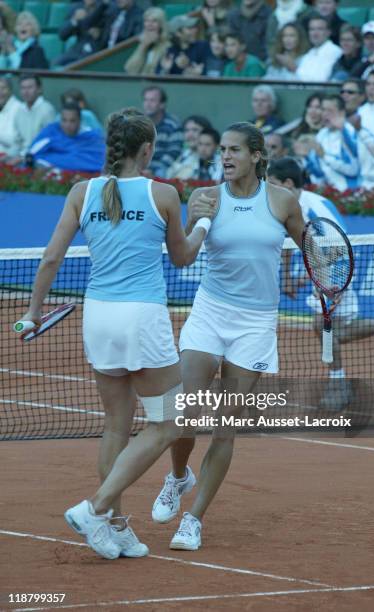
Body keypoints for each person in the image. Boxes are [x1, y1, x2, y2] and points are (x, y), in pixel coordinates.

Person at [18, 108, 213, 560]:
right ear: (146, 150)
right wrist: (203, 223)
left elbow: (50, 258)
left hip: (99, 319)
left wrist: (32, 312)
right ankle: (98, 509)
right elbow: (183, 258)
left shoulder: (80, 192)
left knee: (116, 426)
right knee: (168, 422)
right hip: (142, 321)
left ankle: (118, 528)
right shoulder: (163, 193)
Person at [151, 122, 307, 551]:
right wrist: (197, 221)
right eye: (223, 149)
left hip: (255, 325)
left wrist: (324, 271)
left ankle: (194, 519)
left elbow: (309, 247)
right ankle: (178, 476)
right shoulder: (206, 198)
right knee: (185, 411)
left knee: (225, 427)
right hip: (210, 313)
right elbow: (185, 254)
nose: (226, 156)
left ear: (257, 155)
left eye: (235, 149)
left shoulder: (283, 202)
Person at [266, 156, 374, 410]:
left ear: (288, 183)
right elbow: (289, 243)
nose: (267, 187)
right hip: (321, 270)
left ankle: (339, 384)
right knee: (332, 331)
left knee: (323, 327)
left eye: (272, 182)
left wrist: (332, 285)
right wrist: (291, 278)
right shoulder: (284, 203)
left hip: (339, 267)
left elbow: (340, 250)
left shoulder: (316, 208)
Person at [28, 103, 105, 173]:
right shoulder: (52, 131)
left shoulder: (93, 137)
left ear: (79, 120)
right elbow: (32, 154)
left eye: (72, 121)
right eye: (64, 120)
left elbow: (100, 162)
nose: (67, 125)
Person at [305, 94, 359, 190]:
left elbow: (353, 169)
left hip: (347, 192)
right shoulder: (322, 133)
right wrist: (307, 158)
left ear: (341, 113)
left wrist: (325, 157)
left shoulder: (350, 133)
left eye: (329, 110)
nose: (324, 114)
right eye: (323, 109)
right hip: (325, 191)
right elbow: (319, 173)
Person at [10, 74, 56, 165]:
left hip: (39, 158)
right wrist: (10, 156)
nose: (26, 91)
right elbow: (17, 141)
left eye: (30, 87)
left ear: (39, 89)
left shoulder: (47, 109)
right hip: (21, 157)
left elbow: (48, 142)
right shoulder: (19, 110)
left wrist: (22, 157)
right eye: (23, 88)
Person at [142, 86, 183, 178]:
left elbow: (174, 152)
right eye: (146, 100)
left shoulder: (173, 124)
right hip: (141, 167)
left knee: (162, 172)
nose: (148, 104)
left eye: (152, 100)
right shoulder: (139, 123)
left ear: (162, 104)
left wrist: (152, 172)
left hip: (163, 168)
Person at [54, 0, 106, 67]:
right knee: (56, 63)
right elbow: (62, 35)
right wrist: (74, 20)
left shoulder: (105, 7)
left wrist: (101, 33)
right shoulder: (77, 8)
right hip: (76, 50)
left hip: (96, 52)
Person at [124, 7, 170, 76]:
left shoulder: (167, 46)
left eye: (154, 21)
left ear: (161, 25)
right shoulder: (143, 43)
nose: (149, 24)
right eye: (146, 21)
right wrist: (143, 47)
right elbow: (130, 70)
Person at [296, 16, 342, 82]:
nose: (315, 33)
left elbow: (321, 79)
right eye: (312, 29)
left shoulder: (334, 51)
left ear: (328, 32)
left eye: (320, 29)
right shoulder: (309, 53)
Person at [166, 115, 212, 179]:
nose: (190, 135)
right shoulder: (183, 155)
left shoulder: (212, 159)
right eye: (187, 130)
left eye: (195, 130)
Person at [0, 76, 22, 158]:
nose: (0, 92)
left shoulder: (19, 108)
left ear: (10, 91)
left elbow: (15, 142)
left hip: (8, 159)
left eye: (3, 88)